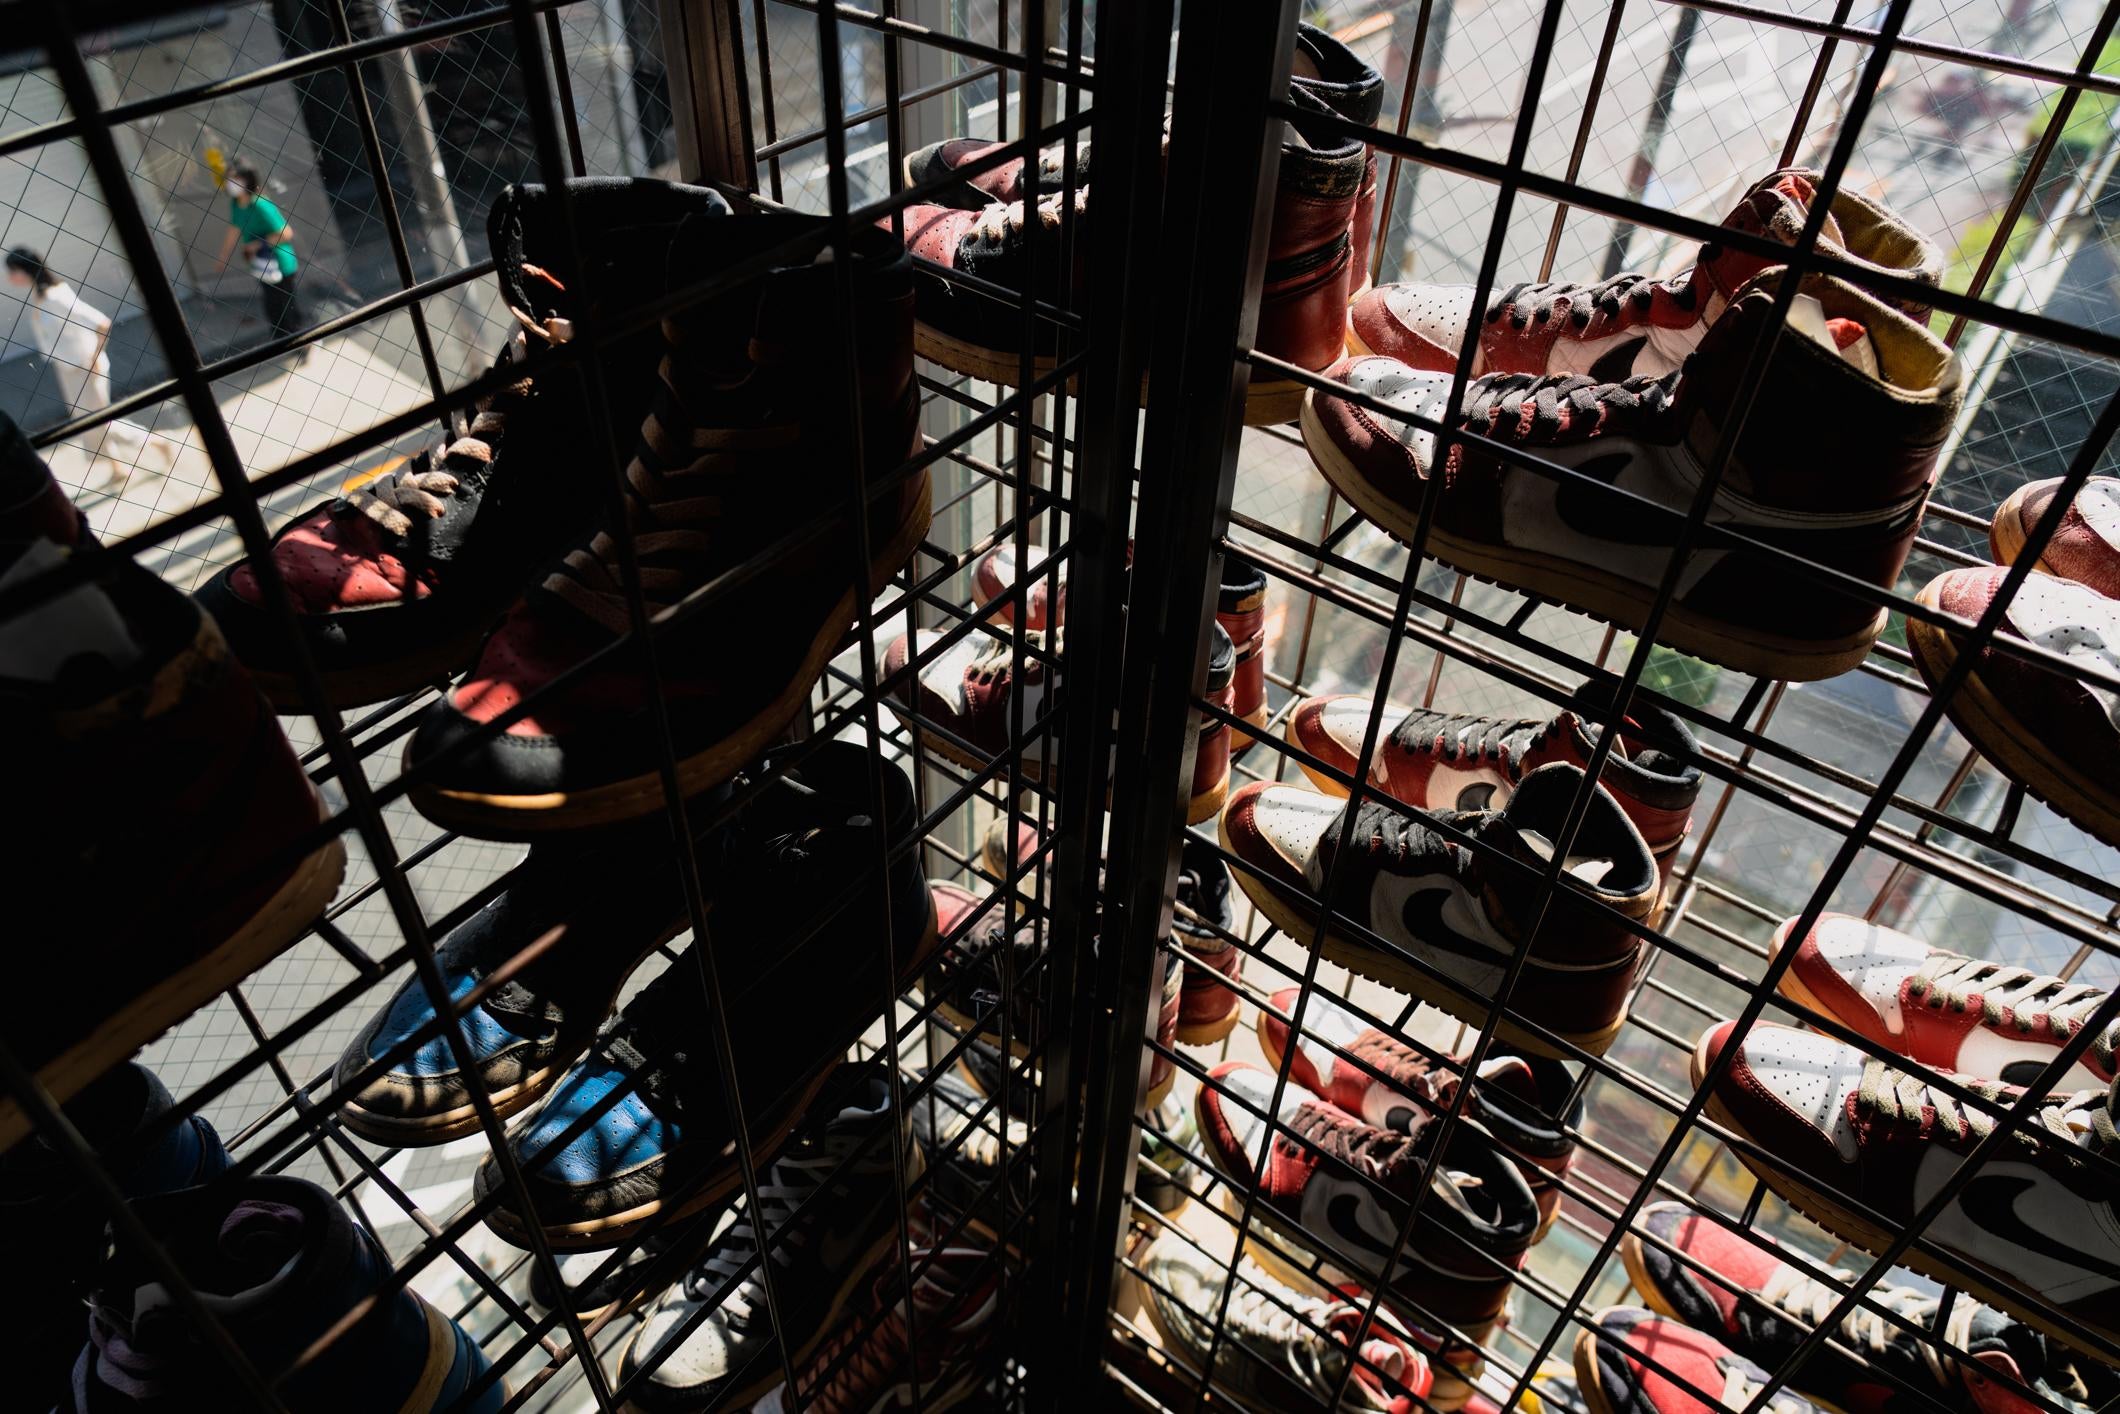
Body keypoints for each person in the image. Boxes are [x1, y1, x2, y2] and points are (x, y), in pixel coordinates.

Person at [5, 247, 170, 490]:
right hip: (68, 369)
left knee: (99, 421)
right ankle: (117, 467)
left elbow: (101, 322)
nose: (9, 277)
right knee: (88, 421)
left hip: (84, 369)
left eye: (12, 271)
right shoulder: (42, 295)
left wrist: (93, 358)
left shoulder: (55, 296)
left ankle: (155, 442)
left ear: (24, 270)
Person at [215, 163, 305, 357]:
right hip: (262, 266)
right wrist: (222, 258)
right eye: (229, 179)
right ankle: (283, 342)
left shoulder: (261, 204)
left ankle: (302, 343)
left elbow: (286, 233)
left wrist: (257, 244)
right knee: (272, 306)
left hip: (281, 263)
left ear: (247, 180)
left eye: (236, 179)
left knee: (287, 305)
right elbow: (234, 230)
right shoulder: (236, 205)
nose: (231, 184)